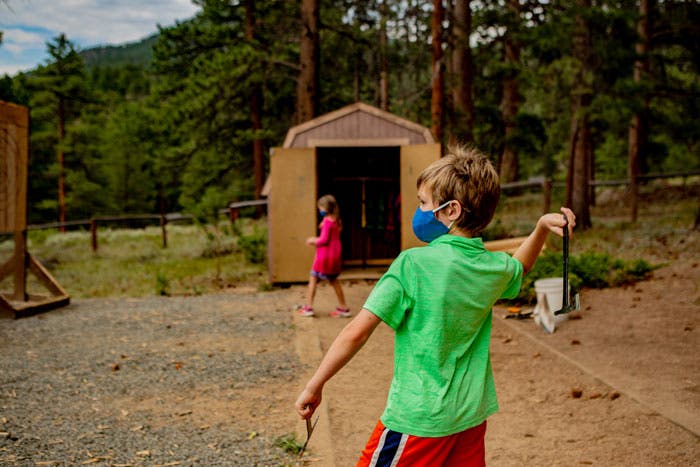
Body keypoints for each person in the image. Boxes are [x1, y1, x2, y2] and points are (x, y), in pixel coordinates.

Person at [294, 145, 576, 465]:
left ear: (451, 210)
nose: (420, 211)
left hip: (419, 419)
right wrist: (540, 228)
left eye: (424, 203)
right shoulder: (490, 267)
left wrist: (314, 385)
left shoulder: (412, 264)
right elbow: (519, 267)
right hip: (469, 416)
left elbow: (356, 332)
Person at [299, 194, 351, 318]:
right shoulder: (336, 220)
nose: (319, 210)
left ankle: (309, 307)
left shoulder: (327, 221)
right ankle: (343, 307)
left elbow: (324, 240)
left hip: (324, 256)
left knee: (313, 278)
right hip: (334, 255)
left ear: (325, 208)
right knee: (334, 281)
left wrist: (312, 240)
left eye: (320, 208)